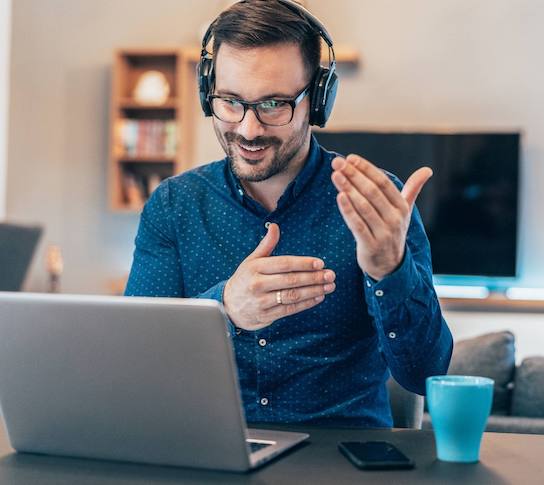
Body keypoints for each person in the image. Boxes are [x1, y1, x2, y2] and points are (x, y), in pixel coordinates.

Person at [125, 0, 452, 428]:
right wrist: (222, 309)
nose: (248, 129)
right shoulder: (173, 206)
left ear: (317, 100)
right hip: (208, 452)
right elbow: (136, 364)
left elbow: (427, 376)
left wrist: (389, 269)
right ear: (209, 94)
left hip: (339, 460)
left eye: (274, 104)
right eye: (230, 101)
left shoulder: (379, 203)